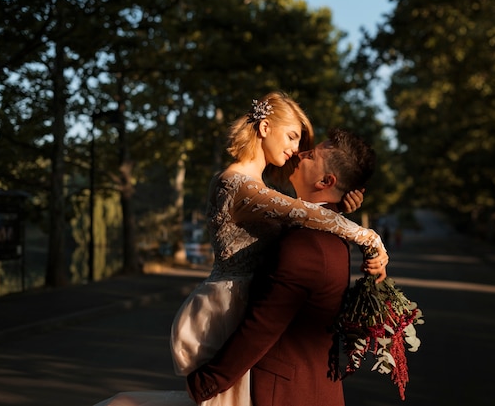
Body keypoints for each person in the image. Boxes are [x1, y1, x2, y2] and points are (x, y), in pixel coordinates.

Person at [93, 92, 388, 406]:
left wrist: (340, 210)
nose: (296, 152)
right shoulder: (236, 184)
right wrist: (368, 238)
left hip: (241, 313)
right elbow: (302, 214)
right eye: (291, 137)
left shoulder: (268, 196)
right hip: (224, 308)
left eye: (303, 146)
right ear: (264, 129)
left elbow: (302, 218)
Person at [187, 128, 376, 406]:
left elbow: (263, 324)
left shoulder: (307, 245)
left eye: (311, 155)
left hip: (284, 394)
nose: (300, 154)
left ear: (326, 180)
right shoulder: (328, 231)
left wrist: (206, 383)